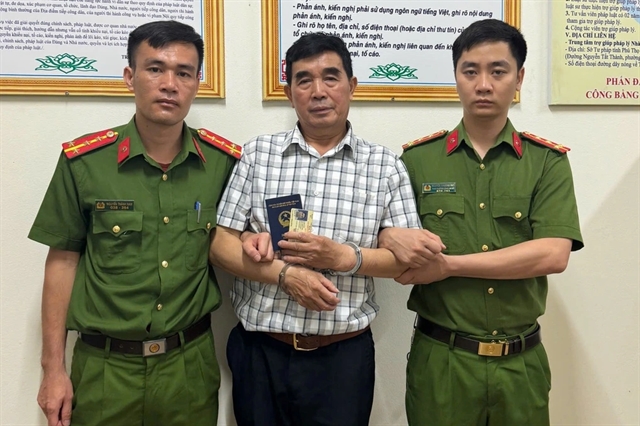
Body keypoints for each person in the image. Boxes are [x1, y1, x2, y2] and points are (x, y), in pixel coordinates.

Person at [209, 32, 441, 426]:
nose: (318, 91)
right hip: (261, 353)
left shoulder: (384, 166)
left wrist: (343, 257)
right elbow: (220, 243)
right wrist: (284, 275)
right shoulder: (257, 155)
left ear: (352, 86)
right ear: (290, 93)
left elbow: (406, 263)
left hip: (342, 360)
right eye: (304, 80)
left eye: (331, 77)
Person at [28, 20, 240, 426]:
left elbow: (239, 240)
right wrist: (52, 370)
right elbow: (62, 264)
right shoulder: (85, 163)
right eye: (155, 69)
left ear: (197, 83)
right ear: (130, 76)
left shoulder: (222, 163)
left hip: (188, 370)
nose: (169, 84)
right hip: (105, 372)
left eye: (184, 73)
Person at [378, 19, 584, 425]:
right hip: (442, 363)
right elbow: (386, 236)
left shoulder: (546, 162)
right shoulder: (417, 161)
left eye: (498, 71)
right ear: (455, 76)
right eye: (470, 71)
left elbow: (553, 254)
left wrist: (449, 266)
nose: (483, 85)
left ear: (519, 78)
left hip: (520, 365)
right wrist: (388, 234)